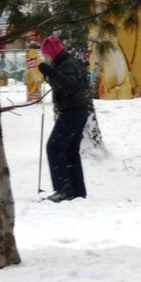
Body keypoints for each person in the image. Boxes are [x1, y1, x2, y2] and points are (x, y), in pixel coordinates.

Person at [37, 36, 90, 202]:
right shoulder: (64, 64)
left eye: (46, 54)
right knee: (70, 150)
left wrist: (51, 73)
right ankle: (77, 190)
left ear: (52, 53)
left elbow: (69, 86)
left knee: (54, 147)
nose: (45, 57)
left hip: (72, 112)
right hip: (77, 111)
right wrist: (51, 74)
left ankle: (63, 190)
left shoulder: (65, 65)